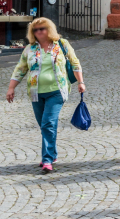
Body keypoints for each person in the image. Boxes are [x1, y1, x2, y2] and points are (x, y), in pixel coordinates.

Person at [6, 17, 84, 173]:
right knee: (45, 125)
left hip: (57, 91)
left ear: (50, 30)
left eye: (42, 28)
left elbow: (75, 63)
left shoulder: (61, 45)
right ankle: (52, 153)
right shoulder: (30, 49)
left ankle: (47, 159)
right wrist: (11, 88)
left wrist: (81, 82)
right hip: (36, 93)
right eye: (35, 30)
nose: (39, 32)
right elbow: (20, 69)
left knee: (48, 123)